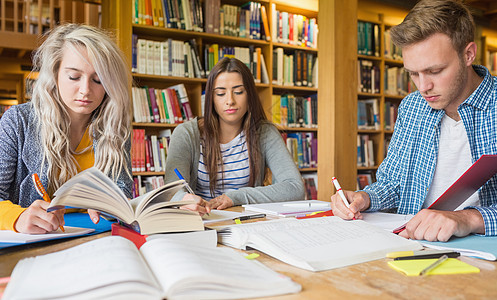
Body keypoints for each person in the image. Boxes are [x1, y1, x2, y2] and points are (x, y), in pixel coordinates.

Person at [331, 0, 497, 242]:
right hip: (412, 245)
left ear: (468, 54)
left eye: (435, 71)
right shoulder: (412, 107)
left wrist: (467, 219)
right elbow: (394, 184)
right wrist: (364, 198)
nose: (423, 86)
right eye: (413, 73)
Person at [0, 24, 133, 234]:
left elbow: (123, 192)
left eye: (98, 80)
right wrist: (17, 217)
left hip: (95, 241)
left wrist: (110, 204)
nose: (86, 90)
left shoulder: (114, 127)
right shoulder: (18, 121)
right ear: (55, 74)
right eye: (74, 77)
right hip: (34, 245)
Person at [164, 57, 305, 212]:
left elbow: (294, 187)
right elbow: (170, 193)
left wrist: (236, 197)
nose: (230, 100)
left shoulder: (265, 133)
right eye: (221, 93)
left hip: (247, 222)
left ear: (249, 95)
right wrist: (184, 199)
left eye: (238, 92)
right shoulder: (186, 134)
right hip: (200, 222)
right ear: (211, 98)